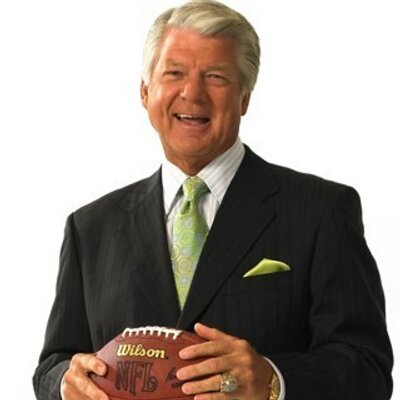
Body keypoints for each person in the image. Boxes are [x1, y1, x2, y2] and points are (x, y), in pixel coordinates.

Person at [33, 1, 393, 399]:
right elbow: (53, 365)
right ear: (145, 92)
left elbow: (368, 369)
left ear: (244, 97)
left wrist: (274, 379)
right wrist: (65, 383)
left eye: (216, 76)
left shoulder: (321, 211)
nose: (192, 93)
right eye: (174, 73)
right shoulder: (89, 228)